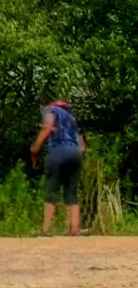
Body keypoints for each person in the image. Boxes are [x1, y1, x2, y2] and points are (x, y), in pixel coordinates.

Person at [30, 99, 86, 235]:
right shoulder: (72, 118)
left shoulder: (50, 110)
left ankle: (47, 229)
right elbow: (82, 146)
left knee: (51, 189)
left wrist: (35, 147)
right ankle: (74, 229)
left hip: (57, 151)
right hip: (76, 154)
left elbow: (47, 128)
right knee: (71, 192)